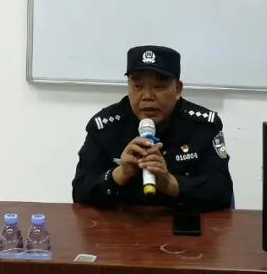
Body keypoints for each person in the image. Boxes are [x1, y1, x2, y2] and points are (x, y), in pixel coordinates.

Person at [72, 45, 233, 210]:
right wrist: (121, 173)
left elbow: (222, 191)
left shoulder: (204, 127)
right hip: (122, 221)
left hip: (183, 219)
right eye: (137, 86)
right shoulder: (105, 127)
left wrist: (171, 183)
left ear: (178, 89)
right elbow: (80, 192)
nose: (147, 96)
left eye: (158, 87)